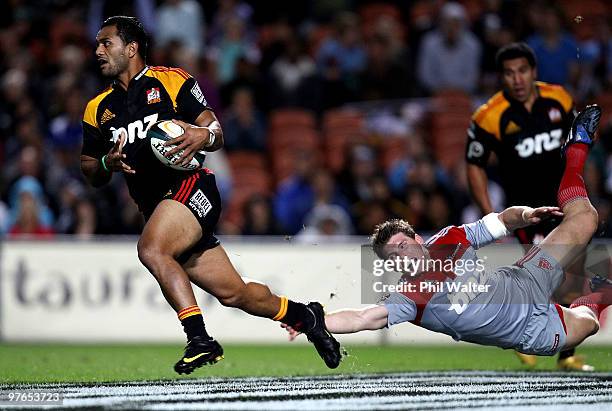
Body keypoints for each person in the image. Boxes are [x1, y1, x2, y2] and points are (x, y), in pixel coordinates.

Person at [80, 16, 340, 375]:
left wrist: (206, 135)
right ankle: (306, 316)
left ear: (132, 48)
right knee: (235, 294)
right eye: (97, 44)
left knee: (151, 250)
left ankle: (200, 338)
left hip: (192, 187)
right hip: (159, 210)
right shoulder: (98, 110)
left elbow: (214, 128)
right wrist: (107, 163)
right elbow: (89, 169)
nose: (98, 51)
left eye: (106, 43)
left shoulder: (172, 81)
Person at [285, 106, 606, 363]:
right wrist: (311, 319)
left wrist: (526, 215)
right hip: (530, 330)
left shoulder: (450, 238)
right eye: (392, 257)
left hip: (525, 278)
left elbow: (500, 222)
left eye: (401, 245)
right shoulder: (411, 296)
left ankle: (575, 150)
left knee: (586, 218)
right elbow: (363, 317)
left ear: (418, 239)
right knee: (588, 323)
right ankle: (600, 291)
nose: (400, 255)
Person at [465, 42, 591, 370]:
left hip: (564, 203)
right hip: (528, 213)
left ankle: (567, 357)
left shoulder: (560, 99)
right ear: (501, 78)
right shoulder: (489, 116)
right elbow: (474, 164)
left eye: (522, 71)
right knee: (544, 278)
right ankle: (524, 338)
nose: (517, 79)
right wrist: (491, 213)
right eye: (509, 73)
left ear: (533, 72)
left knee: (574, 279)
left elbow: (576, 142)